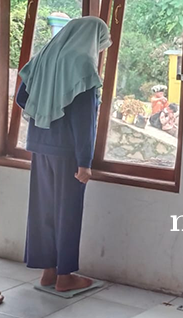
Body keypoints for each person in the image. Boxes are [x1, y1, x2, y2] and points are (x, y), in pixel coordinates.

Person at [15, 17, 111, 292]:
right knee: (67, 212)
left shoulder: (46, 55)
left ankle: (48, 271)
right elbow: (84, 120)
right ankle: (65, 277)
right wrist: (85, 162)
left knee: (44, 209)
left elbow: (22, 97)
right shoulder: (83, 65)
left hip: (40, 143)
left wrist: (47, 108)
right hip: (68, 151)